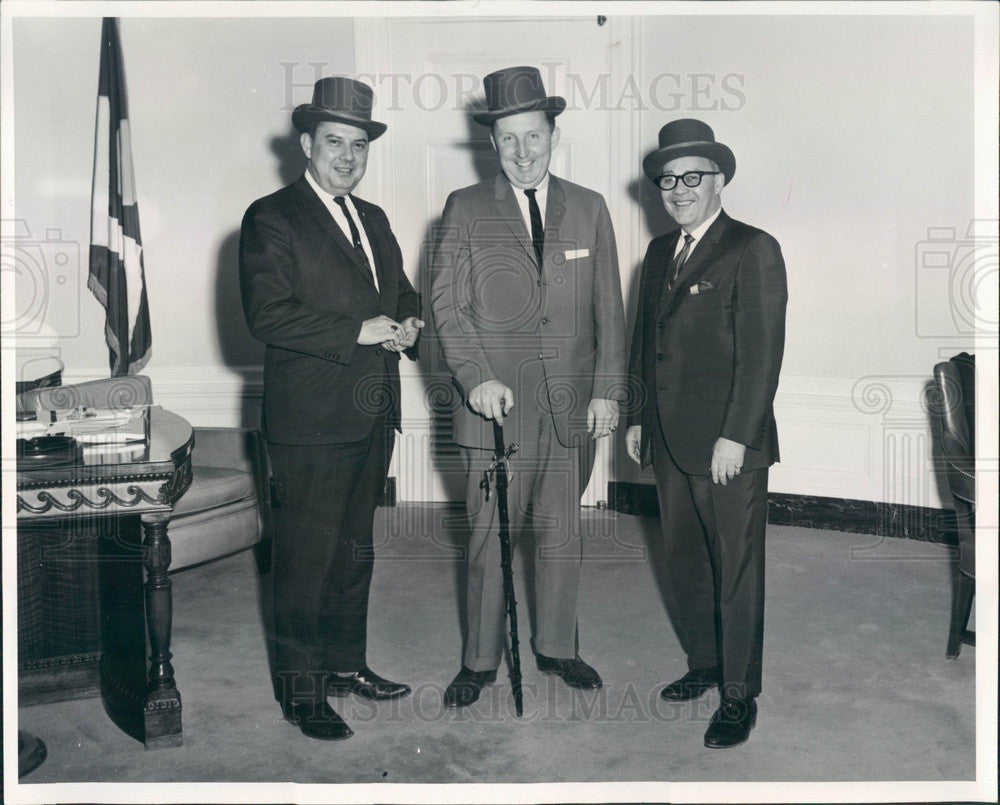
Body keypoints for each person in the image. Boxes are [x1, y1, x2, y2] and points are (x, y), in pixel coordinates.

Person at [431, 66, 626, 708]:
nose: (523, 151)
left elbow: (610, 312)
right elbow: (447, 307)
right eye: (509, 138)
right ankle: (481, 659)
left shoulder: (592, 208)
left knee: (561, 533)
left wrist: (608, 391)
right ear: (493, 142)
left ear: (553, 132)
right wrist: (475, 378)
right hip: (494, 411)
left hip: (571, 409)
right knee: (491, 540)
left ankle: (558, 647)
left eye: (534, 135)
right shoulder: (463, 208)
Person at [240, 76, 422, 740]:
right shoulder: (272, 216)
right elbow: (267, 313)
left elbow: (399, 292)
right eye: (335, 143)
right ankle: (300, 691)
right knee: (304, 557)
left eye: (359, 145)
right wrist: (358, 330)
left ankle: (346, 664)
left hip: (372, 413)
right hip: (309, 425)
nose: (348, 157)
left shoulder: (371, 217)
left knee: (353, 550)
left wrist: (408, 324)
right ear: (307, 143)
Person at [625, 118, 787, 748]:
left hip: (727, 444)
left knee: (737, 566)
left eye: (693, 177)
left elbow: (761, 355)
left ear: (719, 180)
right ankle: (704, 664)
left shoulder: (754, 248)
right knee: (685, 559)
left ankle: (740, 693)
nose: (679, 189)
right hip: (666, 437)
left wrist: (737, 437)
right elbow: (647, 342)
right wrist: (638, 414)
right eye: (669, 180)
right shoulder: (660, 252)